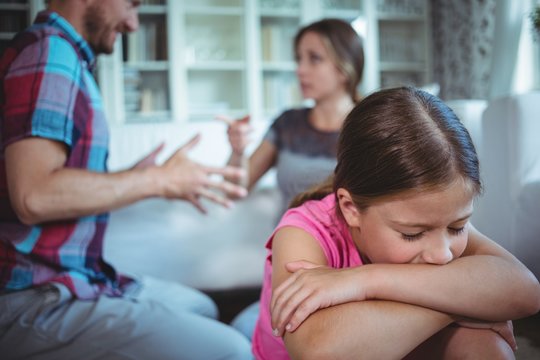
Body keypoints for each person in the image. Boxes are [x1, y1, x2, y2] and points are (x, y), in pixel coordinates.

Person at [0, 1, 253, 359]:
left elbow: (50, 184)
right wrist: (155, 180)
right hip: (36, 297)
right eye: (132, 4)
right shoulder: (50, 54)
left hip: (77, 281)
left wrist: (137, 177)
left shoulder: (64, 56)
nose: (133, 24)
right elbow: (34, 196)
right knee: (234, 352)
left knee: (199, 306)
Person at [252, 87, 540, 359]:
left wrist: (366, 281)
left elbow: (525, 290)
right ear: (351, 208)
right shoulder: (302, 232)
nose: (443, 255)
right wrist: (464, 305)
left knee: (488, 347)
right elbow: (318, 351)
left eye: (458, 227)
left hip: (393, 343)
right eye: (412, 234)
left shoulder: (435, 220)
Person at [219, 18, 364, 215]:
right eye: (299, 59)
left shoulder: (369, 127)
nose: (300, 70)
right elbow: (234, 192)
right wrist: (237, 152)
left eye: (314, 58)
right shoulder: (287, 124)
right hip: (285, 242)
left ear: (345, 68)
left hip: (343, 245)